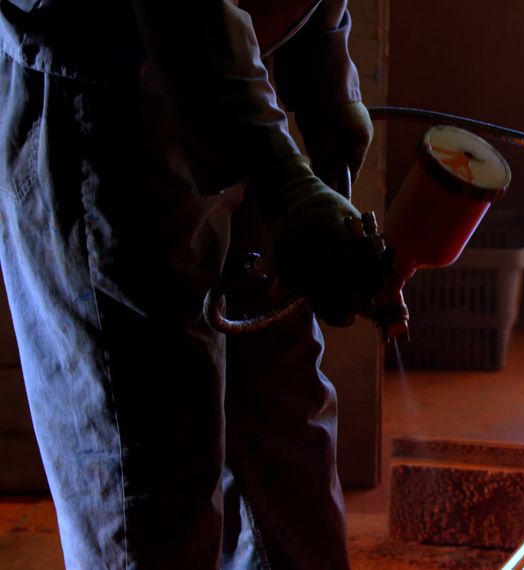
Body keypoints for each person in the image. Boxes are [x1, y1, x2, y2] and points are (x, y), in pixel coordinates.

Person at [0, 0, 377, 567]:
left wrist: (325, 64)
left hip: (239, 70)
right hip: (104, 96)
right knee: (153, 487)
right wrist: (278, 171)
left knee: (284, 450)